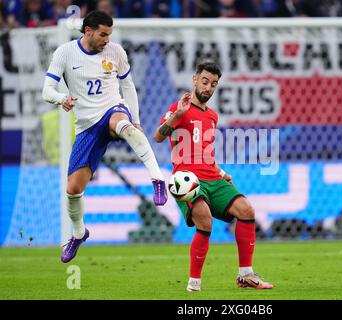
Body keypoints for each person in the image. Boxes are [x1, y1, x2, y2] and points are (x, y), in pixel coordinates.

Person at [42, 10, 167, 263]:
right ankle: (78, 233)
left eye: (110, 34)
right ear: (88, 31)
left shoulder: (116, 52)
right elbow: (47, 89)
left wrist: (136, 119)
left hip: (112, 109)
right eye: (103, 34)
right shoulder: (65, 53)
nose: (107, 39)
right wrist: (61, 98)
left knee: (126, 126)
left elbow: (128, 86)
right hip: (87, 125)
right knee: (73, 190)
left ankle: (157, 179)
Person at [154, 61, 273, 291]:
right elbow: (158, 136)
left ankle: (246, 275)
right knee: (205, 221)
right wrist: (176, 115)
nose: (208, 88)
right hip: (188, 180)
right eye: (205, 81)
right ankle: (194, 284)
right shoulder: (180, 107)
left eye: (214, 84)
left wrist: (222, 173)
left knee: (246, 210)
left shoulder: (212, 116)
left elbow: (205, 151)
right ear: (195, 80)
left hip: (212, 176)